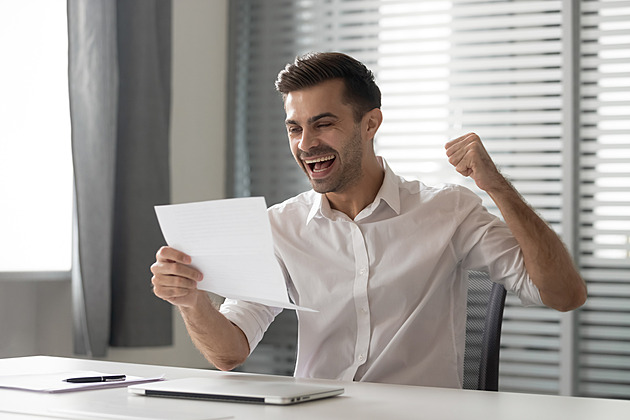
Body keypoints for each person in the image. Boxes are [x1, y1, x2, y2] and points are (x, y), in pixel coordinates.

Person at [151, 52, 587, 388]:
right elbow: (229, 353)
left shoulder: (448, 210)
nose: (306, 144)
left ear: (370, 123)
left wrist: (496, 186)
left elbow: (564, 294)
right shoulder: (279, 226)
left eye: (323, 124)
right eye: (294, 128)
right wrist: (192, 302)